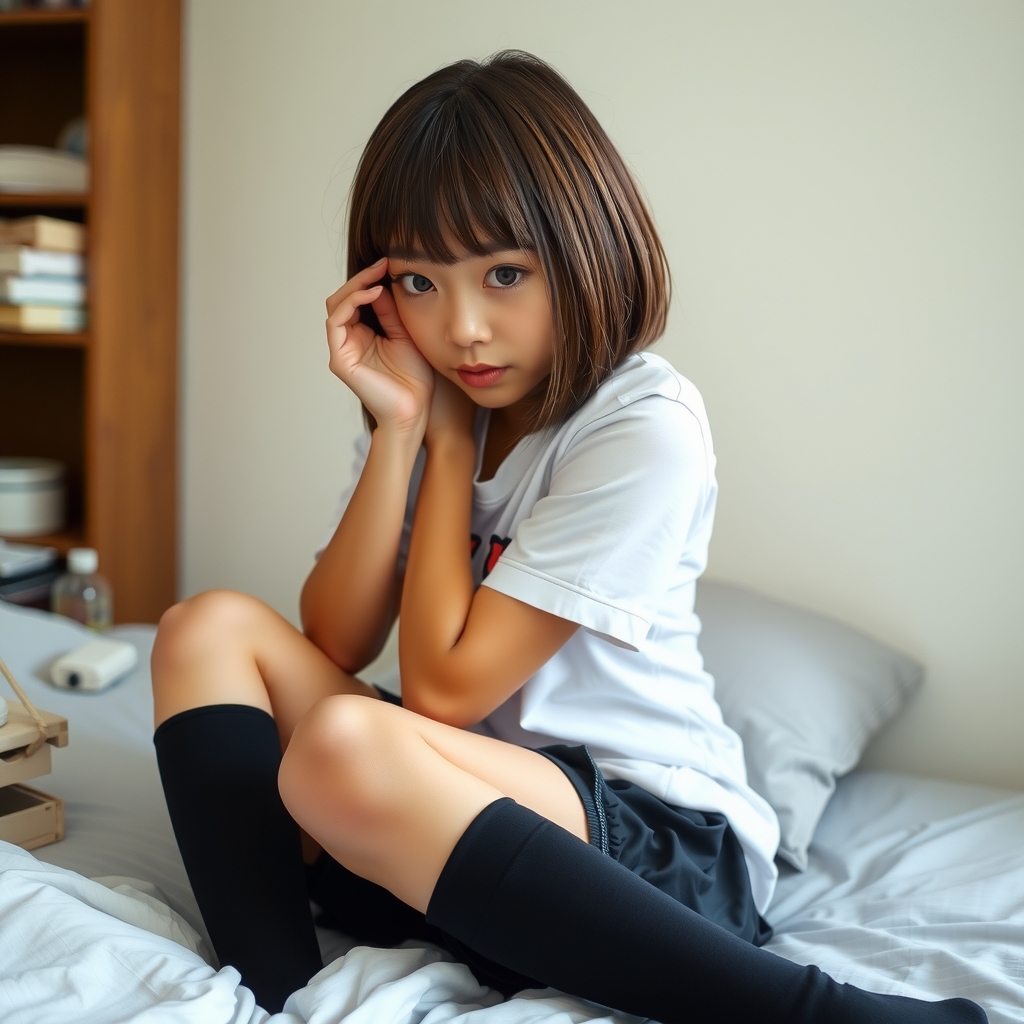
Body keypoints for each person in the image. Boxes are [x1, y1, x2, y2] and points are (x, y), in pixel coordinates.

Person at [151, 51, 987, 1023]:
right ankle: (275, 993)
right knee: (203, 627)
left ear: (584, 247)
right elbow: (335, 637)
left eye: (504, 272)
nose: (464, 327)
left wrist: (452, 443)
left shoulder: (642, 425)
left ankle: (825, 1014)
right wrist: (401, 429)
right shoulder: (433, 399)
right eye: (419, 282)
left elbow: (445, 691)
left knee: (341, 742)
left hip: (656, 851)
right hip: (443, 818)